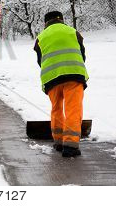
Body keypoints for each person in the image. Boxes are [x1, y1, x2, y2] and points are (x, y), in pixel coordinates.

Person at [34, 11, 89, 157]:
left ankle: (58, 141)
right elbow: (82, 54)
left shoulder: (40, 38)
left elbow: (40, 60)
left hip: (51, 78)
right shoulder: (73, 32)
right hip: (74, 75)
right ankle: (70, 145)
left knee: (56, 108)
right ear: (62, 20)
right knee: (73, 108)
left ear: (46, 23)